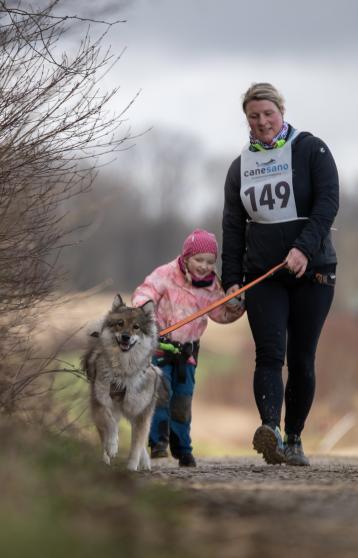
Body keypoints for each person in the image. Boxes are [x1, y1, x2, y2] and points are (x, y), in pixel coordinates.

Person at [221, 83, 339, 466]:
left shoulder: (311, 149)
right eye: (253, 117)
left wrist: (304, 248)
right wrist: (231, 280)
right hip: (264, 274)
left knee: (302, 358)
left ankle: (295, 438)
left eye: (267, 114)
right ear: (247, 121)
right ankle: (269, 430)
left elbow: (327, 203)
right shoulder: (240, 167)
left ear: (281, 111)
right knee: (268, 355)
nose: (262, 122)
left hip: (314, 271)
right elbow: (233, 227)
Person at [132, 229, 244, 467]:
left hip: (187, 354)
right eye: (199, 260)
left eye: (210, 262)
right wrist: (145, 310)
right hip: (160, 350)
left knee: (182, 402)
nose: (204, 266)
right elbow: (145, 292)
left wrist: (237, 308)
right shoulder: (165, 274)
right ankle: (158, 443)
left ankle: (182, 448)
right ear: (186, 257)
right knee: (160, 396)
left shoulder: (212, 286)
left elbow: (220, 314)